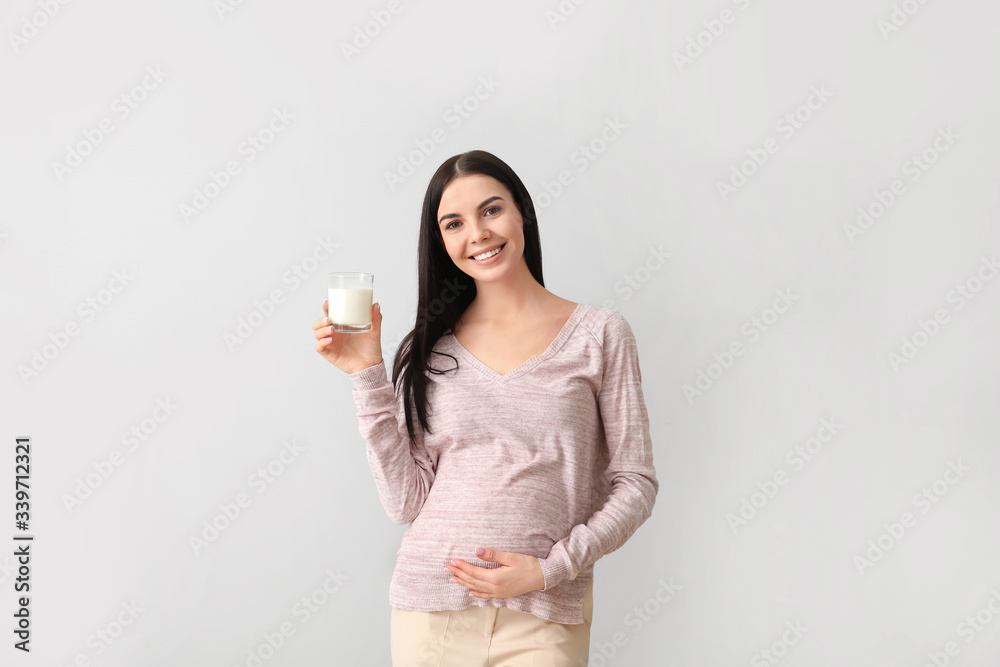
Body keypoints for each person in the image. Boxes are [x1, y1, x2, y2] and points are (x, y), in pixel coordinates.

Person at [311, 149, 658, 666]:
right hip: (431, 610)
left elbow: (635, 483)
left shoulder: (600, 335)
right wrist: (367, 374)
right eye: (454, 223)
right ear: (441, 241)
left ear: (522, 213)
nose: (477, 234)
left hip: (543, 614)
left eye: (491, 210)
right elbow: (406, 502)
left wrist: (551, 569)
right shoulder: (430, 350)